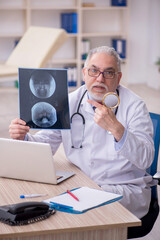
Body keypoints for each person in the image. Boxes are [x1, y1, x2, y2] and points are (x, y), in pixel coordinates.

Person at [9, 46, 155, 219]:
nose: (100, 78)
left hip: (123, 190)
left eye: (108, 72)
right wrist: (23, 137)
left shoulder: (135, 106)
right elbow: (46, 147)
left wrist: (116, 128)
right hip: (83, 184)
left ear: (118, 78)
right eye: (94, 71)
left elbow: (146, 159)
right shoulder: (69, 101)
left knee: (63, 216)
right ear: (84, 73)